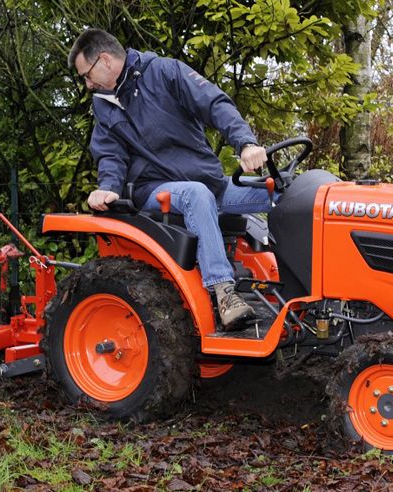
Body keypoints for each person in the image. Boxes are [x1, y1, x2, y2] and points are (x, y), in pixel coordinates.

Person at [68, 28, 271, 331]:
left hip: (207, 182)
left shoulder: (164, 72)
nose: (87, 84)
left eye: (86, 74)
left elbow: (215, 104)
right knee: (196, 195)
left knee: (278, 192)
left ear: (105, 60)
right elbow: (110, 154)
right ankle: (224, 293)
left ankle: (301, 291)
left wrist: (246, 143)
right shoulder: (103, 103)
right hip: (153, 188)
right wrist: (107, 188)